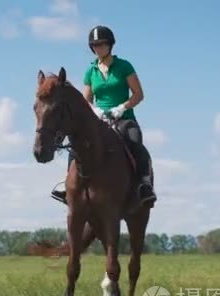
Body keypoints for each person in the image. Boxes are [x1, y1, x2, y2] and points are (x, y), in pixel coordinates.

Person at [50, 25, 157, 207]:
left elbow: (139, 94)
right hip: (99, 119)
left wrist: (121, 107)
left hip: (123, 118)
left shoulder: (124, 66)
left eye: (102, 44)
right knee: (77, 142)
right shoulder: (90, 71)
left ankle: (144, 184)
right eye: (95, 45)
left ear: (110, 45)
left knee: (135, 139)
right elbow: (86, 99)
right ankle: (69, 186)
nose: (99, 48)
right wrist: (96, 110)